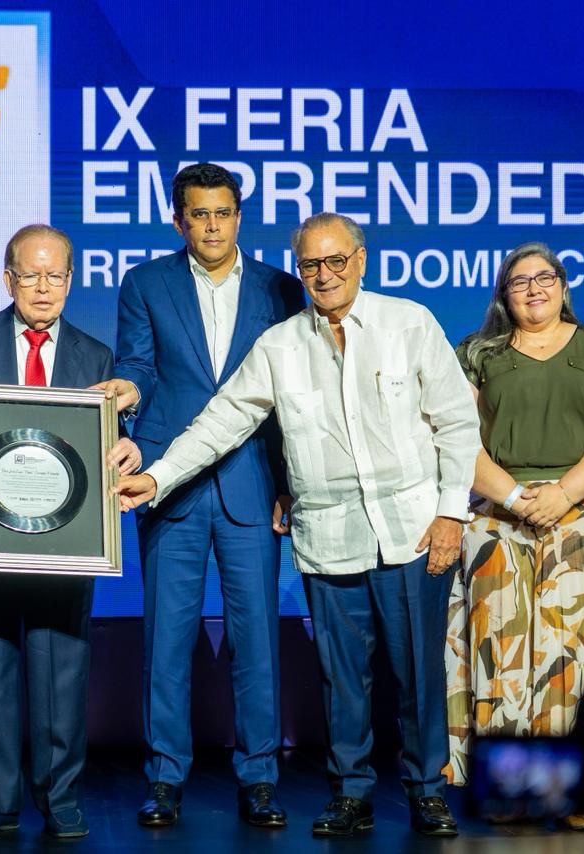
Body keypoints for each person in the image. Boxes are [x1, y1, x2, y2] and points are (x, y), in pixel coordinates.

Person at [114, 212, 479, 838]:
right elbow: (221, 421)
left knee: (418, 672)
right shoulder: (280, 346)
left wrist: (451, 512)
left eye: (337, 261)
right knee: (342, 678)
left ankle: (426, 790)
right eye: (310, 265)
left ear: (360, 260)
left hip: (412, 530)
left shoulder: (409, 323)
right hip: (330, 536)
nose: (324, 275)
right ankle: (352, 792)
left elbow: (457, 422)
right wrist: (158, 476)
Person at [0, 225, 141, 841]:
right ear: (8, 278)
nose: (43, 288)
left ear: (71, 280)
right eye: (30, 275)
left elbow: (108, 443)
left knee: (61, 670)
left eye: (55, 276)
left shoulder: (95, 356)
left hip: (66, 540)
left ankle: (61, 798)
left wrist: (128, 450)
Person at [95, 163, 304, 829]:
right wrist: (125, 393)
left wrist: (290, 485)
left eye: (223, 213)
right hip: (169, 484)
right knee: (167, 641)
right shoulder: (146, 282)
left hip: (251, 483)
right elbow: (138, 365)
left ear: (239, 217)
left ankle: (260, 776)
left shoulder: (281, 288)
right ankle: (164, 777)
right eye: (199, 214)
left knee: (256, 641)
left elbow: (291, 401)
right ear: (178, 219)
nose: (212, 225)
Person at [443, 242, 584, 790]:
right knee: (502, 652)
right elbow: (456, 438)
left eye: (545, 277)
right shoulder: (477, 353)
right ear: (503, 296)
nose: (534, 288)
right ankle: (510, 785)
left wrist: (563, 493)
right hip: (499, 515)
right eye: (520, 281)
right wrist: (513, 498)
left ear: (562, 286)